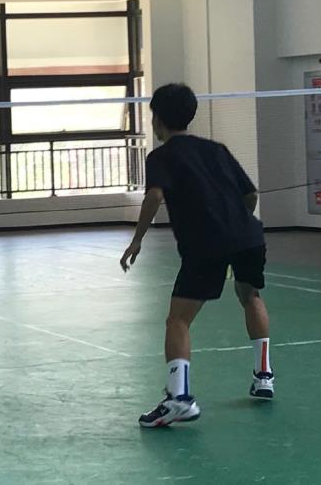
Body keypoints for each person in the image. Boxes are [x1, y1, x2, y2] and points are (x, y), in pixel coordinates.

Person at [120, 83, 274, 428]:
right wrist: (236, 225)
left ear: (157, 120)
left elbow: (154, 196)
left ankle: (179, 399)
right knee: (250, 296)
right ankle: (264, 376)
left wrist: (137, 240)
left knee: (178, 320)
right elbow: (250, 195)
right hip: (249, 237)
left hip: (206, 244)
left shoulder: (160, 157)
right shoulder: (217, 150)